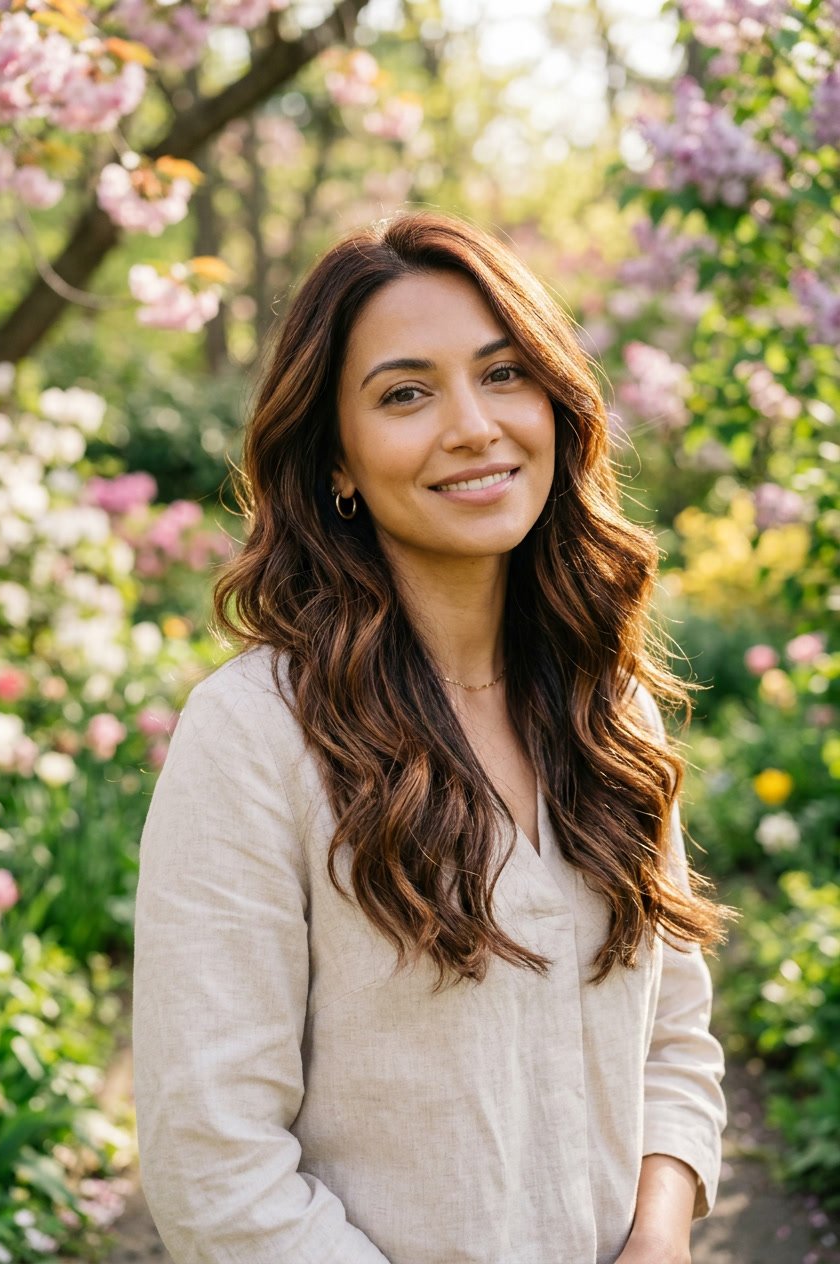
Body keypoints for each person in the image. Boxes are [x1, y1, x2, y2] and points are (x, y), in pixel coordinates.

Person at [132, 209, 731, 1264]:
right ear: (336, 463)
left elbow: (674, 1038)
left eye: (503, 374)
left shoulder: (607, 706)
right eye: (405, 393)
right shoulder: (257, 736)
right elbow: (213, 1160)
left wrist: (660, 1235)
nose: (472, 425)